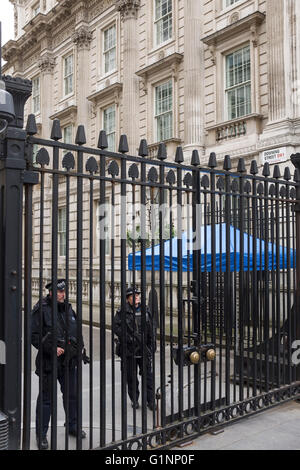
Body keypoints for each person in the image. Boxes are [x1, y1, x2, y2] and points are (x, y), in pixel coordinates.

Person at [31, 279, 88, 450]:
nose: (62, 294)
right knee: (46, 399)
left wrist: (79, 350)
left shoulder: (69, 309)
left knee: (72, 395)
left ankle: (73, 426)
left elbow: (77, 331)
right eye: (59, 292)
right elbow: (33, 336)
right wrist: (52, 348)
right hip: (49, 362)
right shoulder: (41, 309)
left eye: (64, 291)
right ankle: (41, 435)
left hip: (68, 362)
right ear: (50, 292)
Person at [113, 286, 156, 411]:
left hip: (144, 349)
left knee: (148, 377)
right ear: (128, 299)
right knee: (131, 378)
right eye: (134, 295)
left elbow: (151, 328)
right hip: (129, 350)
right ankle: (134, 399)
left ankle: (151, 401)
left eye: (137, 295)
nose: (136, 297)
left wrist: (152, 344)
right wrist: (129, 338)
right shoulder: (122, 312)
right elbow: (116, 328)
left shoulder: (145, 310)